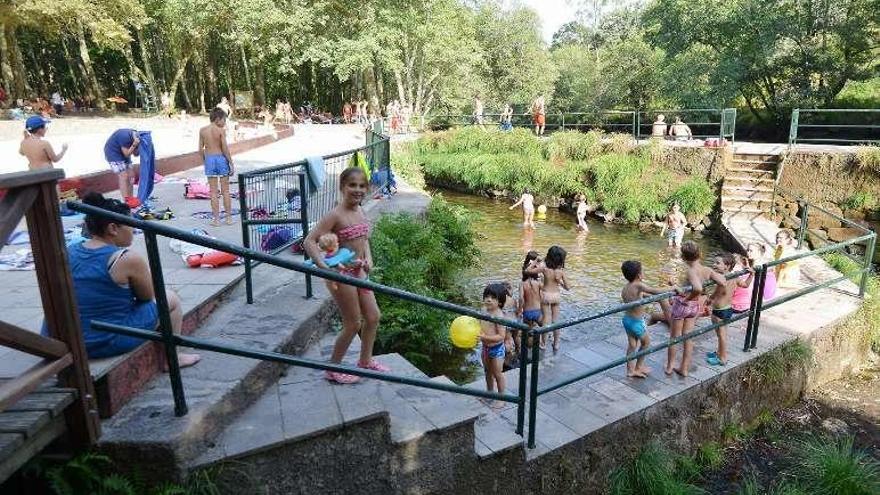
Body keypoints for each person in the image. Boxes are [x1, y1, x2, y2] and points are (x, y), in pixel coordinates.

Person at [56, 192, 201, 366]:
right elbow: (147, 297)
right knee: (170, 299)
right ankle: (173, 358)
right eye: (130, 224)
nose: (134, 229)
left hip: (66, 340)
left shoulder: (71, 250)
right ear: (113, 228)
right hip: (105, 340)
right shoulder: (125, 258)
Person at [304, 167, 388, 384]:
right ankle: (333, 368)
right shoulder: (335, 215)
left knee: (373, 316)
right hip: (342, 275)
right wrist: (323, 266)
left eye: (361, 186)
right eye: (352, 185)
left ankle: (365, 361)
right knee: (353, 323)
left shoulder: (361, 211)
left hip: (360, 272)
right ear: (342, 187)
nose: (357, 190)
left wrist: (369, 259)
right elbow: (309, 241)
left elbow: (364, 239)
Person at [668, 241, 725, 377]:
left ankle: (669, 366)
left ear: (683, 257)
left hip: (684, 305)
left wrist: (686, 299)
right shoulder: (707, 270)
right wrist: (711, 298)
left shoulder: (690, 271)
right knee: (688, 337)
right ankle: (684, 368)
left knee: (674, 337)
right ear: (700, 254)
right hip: (695, 307)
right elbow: (722, 282)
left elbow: (697, 288)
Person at [620, 260, 670, 378]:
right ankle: (638, 367)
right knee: (646, 343)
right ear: (639, 275)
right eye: (643, 271)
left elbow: (637, 297)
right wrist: (673, 287)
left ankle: (630, 370)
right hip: (637, 322)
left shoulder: (627, 287)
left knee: (632, 345)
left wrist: (650, 297)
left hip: (627, 320)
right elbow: (655, 290)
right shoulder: (639, 285)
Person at [705, 253, 751, 366]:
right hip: (728, 309)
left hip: (719, 311)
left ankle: (722, 358)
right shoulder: (734, 276)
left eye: (717, 263)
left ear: (727, 266)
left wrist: (709, 299)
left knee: (721, 335)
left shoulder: (721, 278)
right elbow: (745, 285)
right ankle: (719, 352)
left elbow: (717, 293)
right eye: (714, 262)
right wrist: (751, 275)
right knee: (722, 333)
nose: (714, 264)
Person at [526, 246, 569, 351]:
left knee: (545, 320)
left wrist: (535, 261)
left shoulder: (544, 267)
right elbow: (568, 287)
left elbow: (528, 270)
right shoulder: (560, 271)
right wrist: (560, 282)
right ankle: (556, 344)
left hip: (545, 295)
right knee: (556, 320)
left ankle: (543, 344)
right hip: (556, 296)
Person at [199, 108, 235, 226]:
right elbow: (225, 148)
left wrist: (205, 162)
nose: (225, 122)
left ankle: (216, 220)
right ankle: (229, 218)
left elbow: (200, 149)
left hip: (209, 159)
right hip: (220, 159)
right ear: (218, 119)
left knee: (213, 192)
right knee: (225, 191)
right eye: (224, 119)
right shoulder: (220, 130)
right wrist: (230, 162)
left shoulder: (202, 130)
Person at [480, 282, 507, 407]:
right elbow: (480, 325)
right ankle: (490, 393)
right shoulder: (483, 310)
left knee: (497, 373)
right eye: (487, 296)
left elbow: (501, 336)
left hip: (497, 349)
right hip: (485, 347)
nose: (489, 300)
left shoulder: (499, 316)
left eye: (493, 298)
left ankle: (501, 397)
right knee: (487, 372)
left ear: (500, 302)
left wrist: (485, 337)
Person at [732, 245, 776, 312]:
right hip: (768, 293)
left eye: (751, 251)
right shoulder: (761, 262)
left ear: (759, 252)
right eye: (748, 250)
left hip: (763, 295)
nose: (748, 252)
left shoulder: (758, 265)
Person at [103, 128, 140, 199]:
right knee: (124, 176)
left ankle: (131, 198)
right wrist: (134, 145)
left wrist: (140, 148)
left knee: (131, 175)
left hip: (124, 152)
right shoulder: (125, 137)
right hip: (113, 153)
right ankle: (126, 200)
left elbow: (135, 154)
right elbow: (127, 154)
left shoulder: (138, 138)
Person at [519, 251, 543, 352]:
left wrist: (519, 310)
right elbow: (543, 297)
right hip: (538, 311)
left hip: (527, 312)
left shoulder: (522, 284)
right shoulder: (538, 283)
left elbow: (521, 299)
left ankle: (527, 349)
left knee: (527, 332)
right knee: (545, 327)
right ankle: (542, 343)